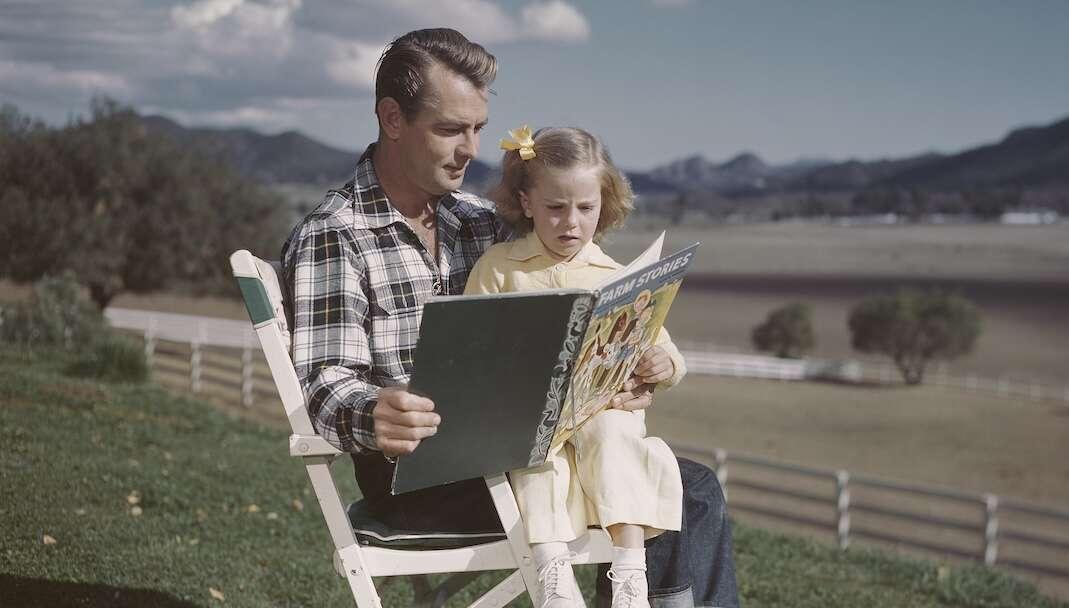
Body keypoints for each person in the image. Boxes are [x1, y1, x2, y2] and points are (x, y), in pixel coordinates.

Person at [280, 27, 739, 608]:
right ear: (392, 118)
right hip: (428, 477)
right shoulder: (334, 235)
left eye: (476, 128)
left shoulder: (479, 222)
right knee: (686, 491)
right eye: (450, 129)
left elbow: (567, 290)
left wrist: (622, 370)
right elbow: (324, 381)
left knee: (657, 472)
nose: (471, 149)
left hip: (531, 446)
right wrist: (373, 413)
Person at [463, 126, 687, 608]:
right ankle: (552, 574)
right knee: (534, 458)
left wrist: (661, 363)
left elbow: (666, 349)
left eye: (585, 208)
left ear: (602, 206)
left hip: (597, 410)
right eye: (555, 207)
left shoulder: (615, 275)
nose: (571, 222)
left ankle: (629, 574)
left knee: (614, 435)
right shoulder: (501, 267)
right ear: (526, 203)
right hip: (529, 416)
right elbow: (470, 342)